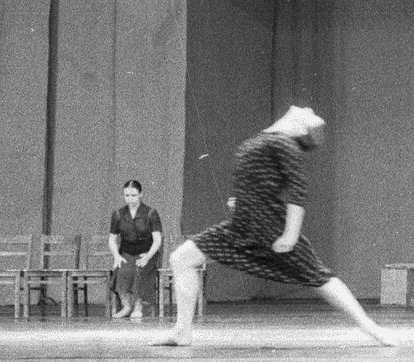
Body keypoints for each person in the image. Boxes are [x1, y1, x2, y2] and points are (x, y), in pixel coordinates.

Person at [153, 106, 397, 347]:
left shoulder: (284, 144)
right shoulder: (267, 139)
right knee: (182, 258)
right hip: (243, 225)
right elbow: (259, 182)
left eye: (309, 114)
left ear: (301, 129)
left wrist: (290, 233)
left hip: (268, 227)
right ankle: (182, 332)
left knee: (318, 277)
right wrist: (241, 200)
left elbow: (298, 190)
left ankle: (373, 329)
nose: (305, 108)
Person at [108, 180, 163, 321]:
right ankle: (126, 306)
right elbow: (112, 239)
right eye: (127, 195)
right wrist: (116, 256)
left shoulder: (150, 213)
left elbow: (157, 239)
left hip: (146, 253)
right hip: (126, 252)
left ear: (141, 195)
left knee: (139, 270)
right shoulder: (118, 214)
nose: (130, 199)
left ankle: (138, 307)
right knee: (122, 269)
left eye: (133, 195)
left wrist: (148, 256)